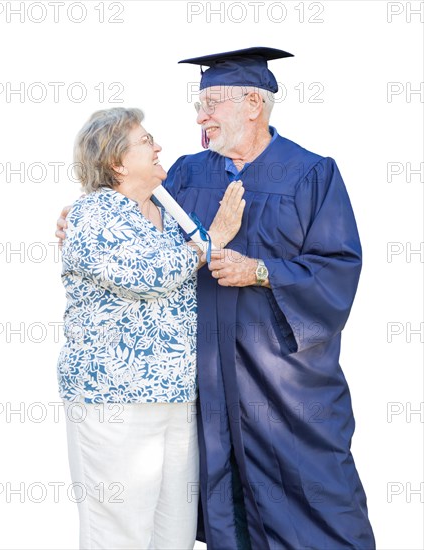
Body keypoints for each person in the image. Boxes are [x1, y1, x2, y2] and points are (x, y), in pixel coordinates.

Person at [57, 47, 376, 549]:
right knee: (215, 509)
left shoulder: (311, 174)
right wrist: (78, 216)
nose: (199, 115)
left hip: (282, 381)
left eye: (212, 102)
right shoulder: (186, 174)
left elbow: (338, 267)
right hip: (204, 380)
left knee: (316, 494)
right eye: (198, 103)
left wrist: (262, 270)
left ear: (253, 103)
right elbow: (130, 219)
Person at [57, 106, 245, 550]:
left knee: (173, 535)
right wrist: (212, 238)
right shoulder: (94, 215)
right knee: (118, 535)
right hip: (115, 402)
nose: (158, 146)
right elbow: (150, 277)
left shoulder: (165, 208)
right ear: (117, 162)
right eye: (146, 141)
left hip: (175, 399)